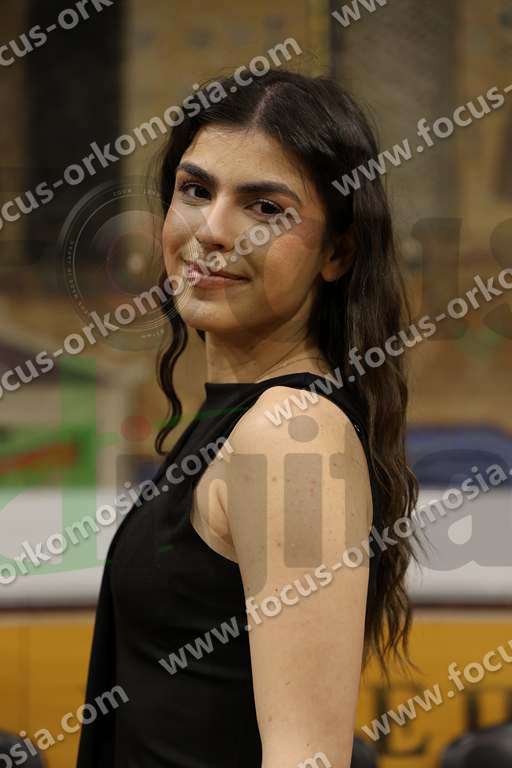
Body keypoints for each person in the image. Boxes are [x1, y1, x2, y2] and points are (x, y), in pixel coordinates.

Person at [76, 68, 420, 768]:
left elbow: (303, 755)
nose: (212, 230)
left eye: (264, 208)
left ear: (337, 252)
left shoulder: (292, 433)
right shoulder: (244, 420)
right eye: (195, 191)